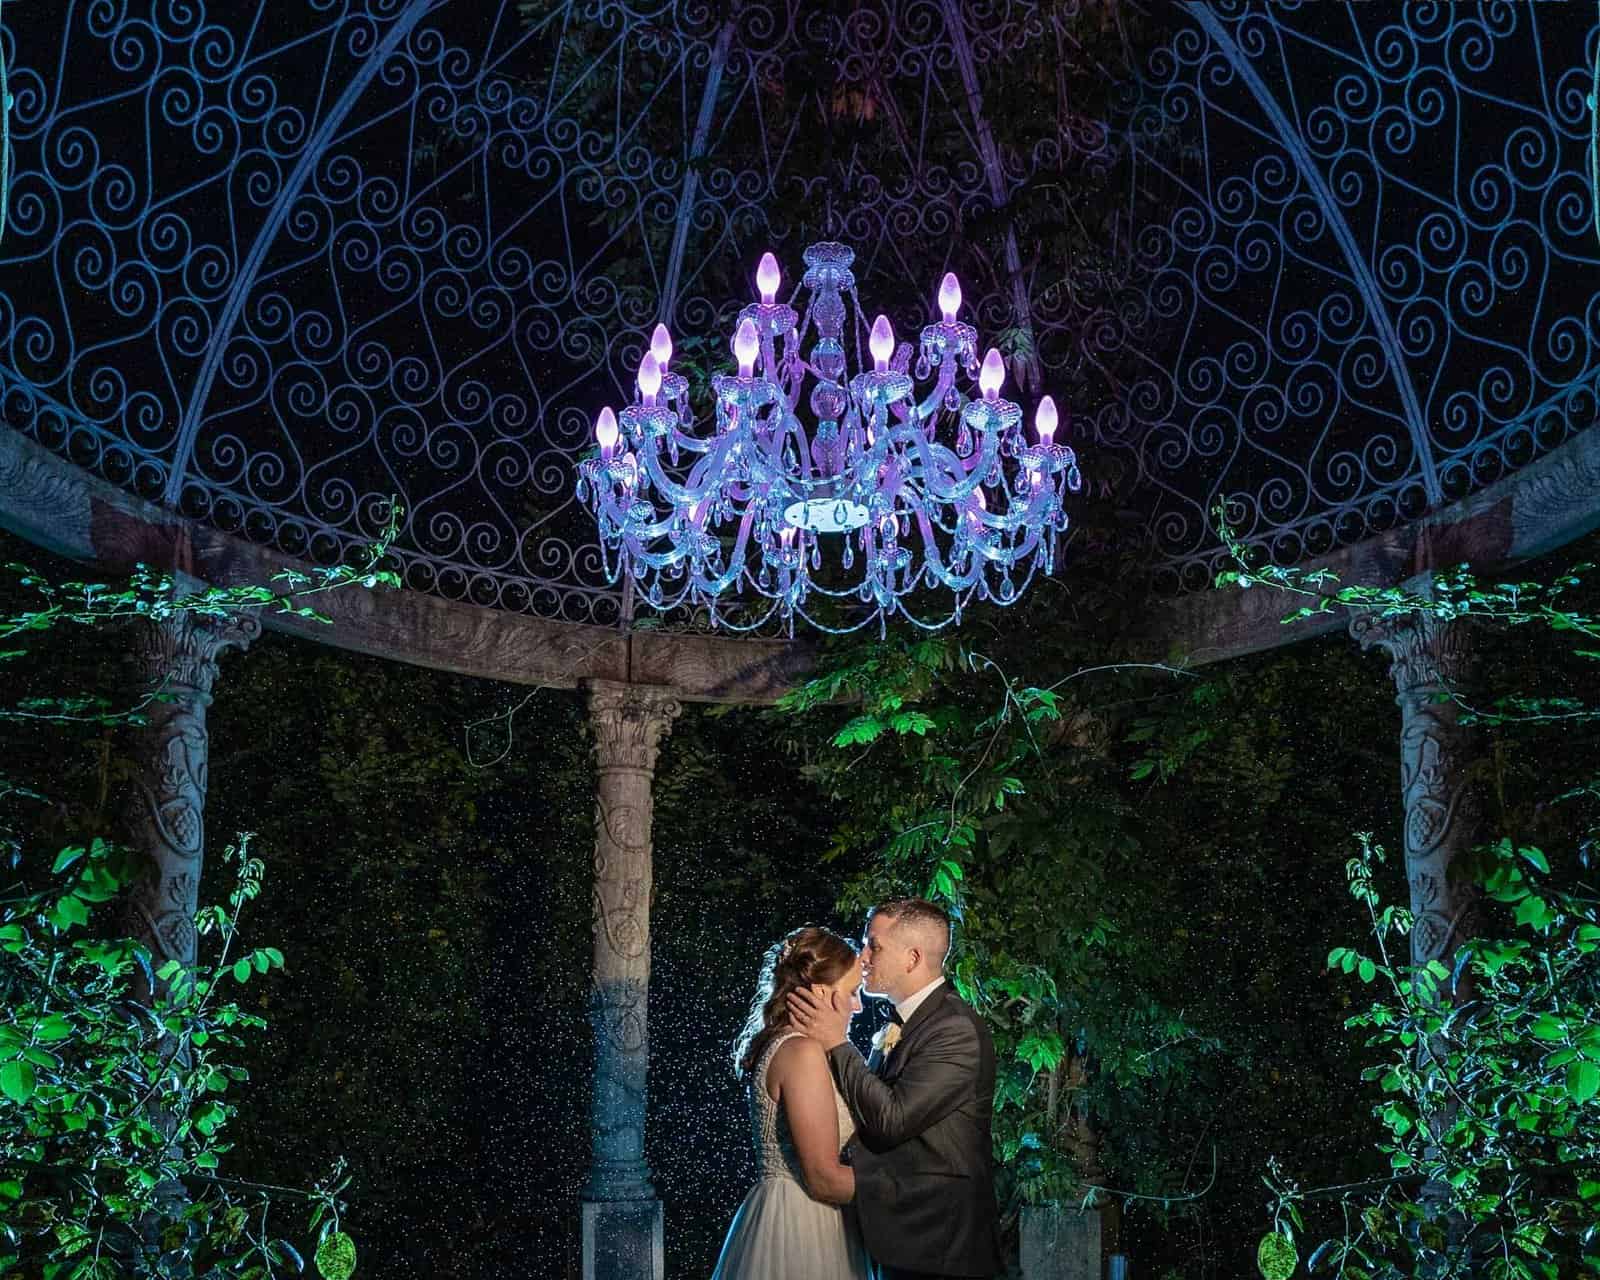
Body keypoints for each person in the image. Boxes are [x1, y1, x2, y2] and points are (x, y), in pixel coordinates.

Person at [788, 898, 1002, 1280]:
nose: (862, 955)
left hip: (941, 1246)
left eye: (874, 945)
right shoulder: (906, 1022)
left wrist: (837, 1044)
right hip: (904, 1238)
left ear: (913, 958)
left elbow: (891, 1119)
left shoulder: (954, 1029)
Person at [709, 925, 874, 1280]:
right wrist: (913, 1189)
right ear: (820, 993)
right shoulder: (801, 1052)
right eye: (853, 991)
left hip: (802, 1214)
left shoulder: (790, 1045)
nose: (858, 1005)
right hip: (802, 1223)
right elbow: (822, 1178)